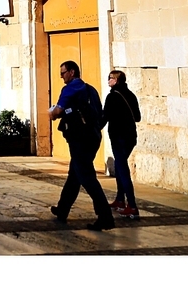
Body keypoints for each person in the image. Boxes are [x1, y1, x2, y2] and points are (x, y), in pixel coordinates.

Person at [49, 61, 115, 230]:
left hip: (79, 138)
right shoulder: (91, 89)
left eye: (63, 73)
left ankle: (105, 216)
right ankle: (62, 209)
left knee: (86, 177)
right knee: (75, 174)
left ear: (72, 72)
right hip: (93, 136)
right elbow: (100, 114)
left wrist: (51, 113)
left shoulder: (71, 88)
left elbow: (56, 112)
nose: (61, 76)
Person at [105, 69, 142, 219]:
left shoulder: (112, 96)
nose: (109, 80)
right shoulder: (131, 95)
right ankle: (120, 199)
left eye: (111, 78)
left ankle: (132, 205)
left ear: (117, 80)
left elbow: (104, 117)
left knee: (122, 168)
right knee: (121, 166)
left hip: (118, 137)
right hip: (130, 137)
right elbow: (137, 117)